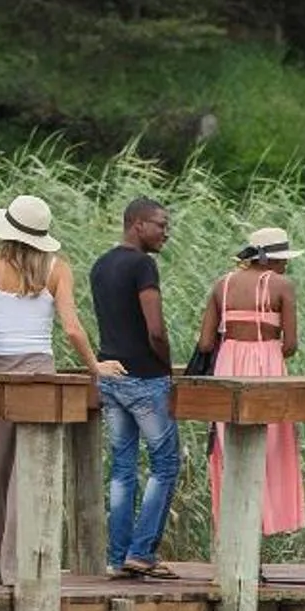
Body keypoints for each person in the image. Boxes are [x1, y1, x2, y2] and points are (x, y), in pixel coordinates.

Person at [0, 195, 120, 582]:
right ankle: (24, 564)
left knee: (0, 470)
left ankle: (5, 569)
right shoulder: (56, 269)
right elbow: (71, 327)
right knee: (32, 471)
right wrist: (94, 367)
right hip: (40, 373)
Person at [90, 196, 183, 579]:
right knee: (166, 463)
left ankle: (117, 557)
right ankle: (142, 552)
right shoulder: (143, 265)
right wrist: (166, 366)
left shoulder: (101, 265)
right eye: (160, 224)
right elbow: (156, 329)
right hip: (145, 379)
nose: (166, 232)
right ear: (137, 224)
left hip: (111, 377)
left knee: (122, 467)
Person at [198, 227, 305, 538]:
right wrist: (266, 351)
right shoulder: (283, 285)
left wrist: (233, 346)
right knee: (270, 451)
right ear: (269, 258)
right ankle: (263, 527)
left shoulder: (222, 284)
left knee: (229, 451)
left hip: (227, 368)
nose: (286, 265)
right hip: (267, 367)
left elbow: (205, 343)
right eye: (282, 258)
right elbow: (291, 344)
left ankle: (235, 534)